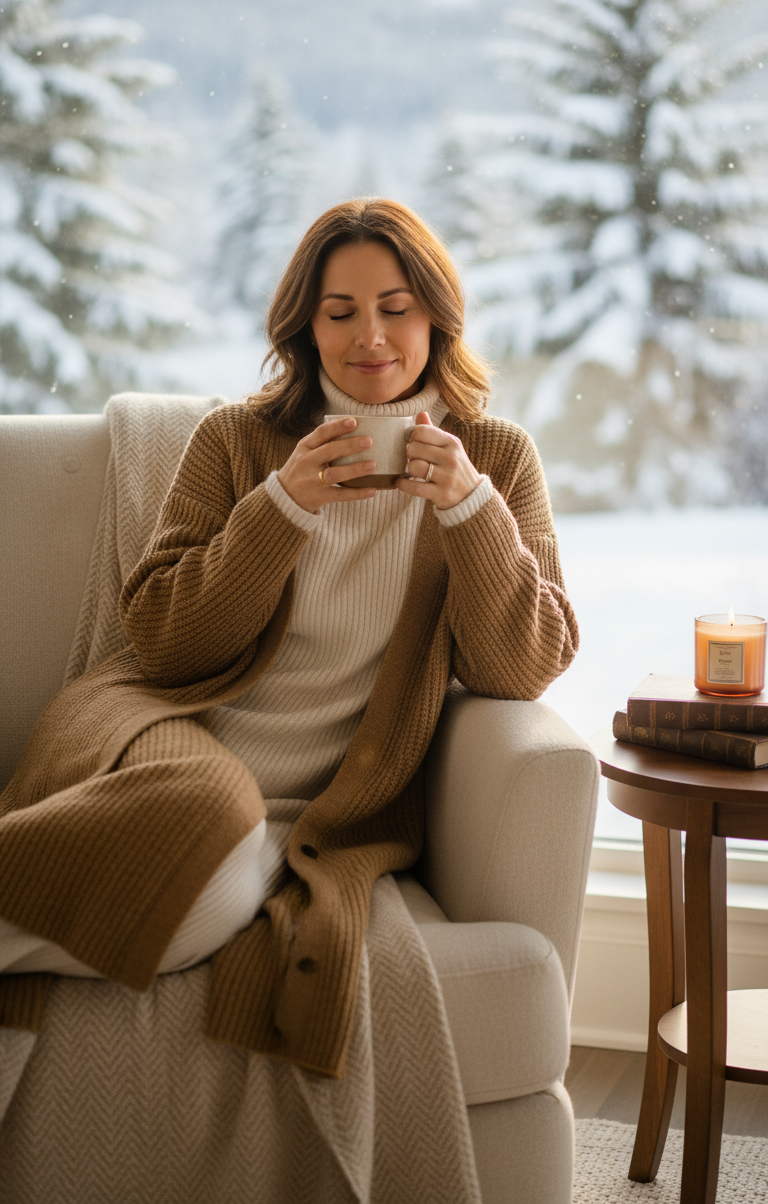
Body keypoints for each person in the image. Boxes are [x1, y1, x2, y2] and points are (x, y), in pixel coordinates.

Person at [0, 197, 578, 1078]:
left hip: (314, 811)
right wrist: (279, 509)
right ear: (304, 325)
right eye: (339, 312)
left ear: (437, 315)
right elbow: (163, 646)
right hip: (171, 737)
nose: (370, 337)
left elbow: (522, 667)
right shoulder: (237, 440)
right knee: (204, 819)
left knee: (207, 908)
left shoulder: (495, 459)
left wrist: (472, 513)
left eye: (395, 307)